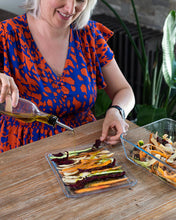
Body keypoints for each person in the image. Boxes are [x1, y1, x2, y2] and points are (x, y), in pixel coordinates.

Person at [0, 0, 135, 153]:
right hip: (22, 151)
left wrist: (117, 111)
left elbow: (124, 90)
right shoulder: (5, 35)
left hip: (84, 146)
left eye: (80, 0)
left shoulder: (89, 34)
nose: (71, 9)